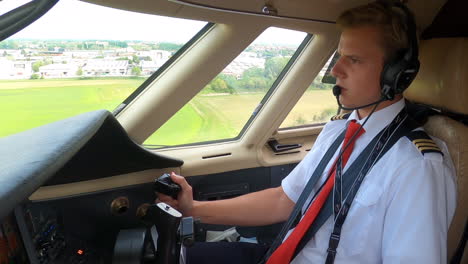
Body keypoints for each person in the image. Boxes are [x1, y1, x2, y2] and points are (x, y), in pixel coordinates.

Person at [157, 2, 457, 263]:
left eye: (354, 60)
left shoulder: (416, 167)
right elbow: (283, 200)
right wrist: (192, 209)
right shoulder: (340, 129)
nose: (335, 70)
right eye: (338, 55)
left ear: (396, 74)